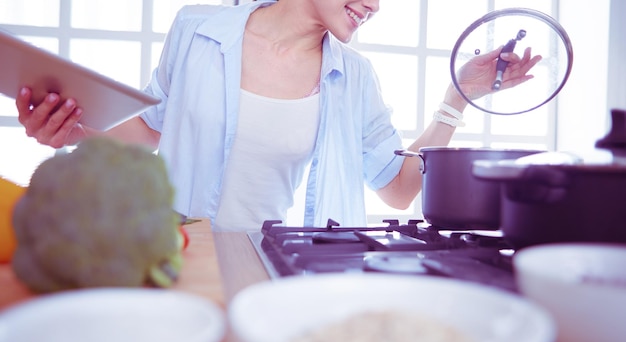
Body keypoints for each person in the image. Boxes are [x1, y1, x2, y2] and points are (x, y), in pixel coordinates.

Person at [15, 0, 541, 232]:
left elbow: (400, 188)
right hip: (173, 251)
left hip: (276, 265)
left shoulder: (354, 76)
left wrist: (458, 95)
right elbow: (152, 128)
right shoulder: (197, 29)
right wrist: (73, 133)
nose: (376, 4)